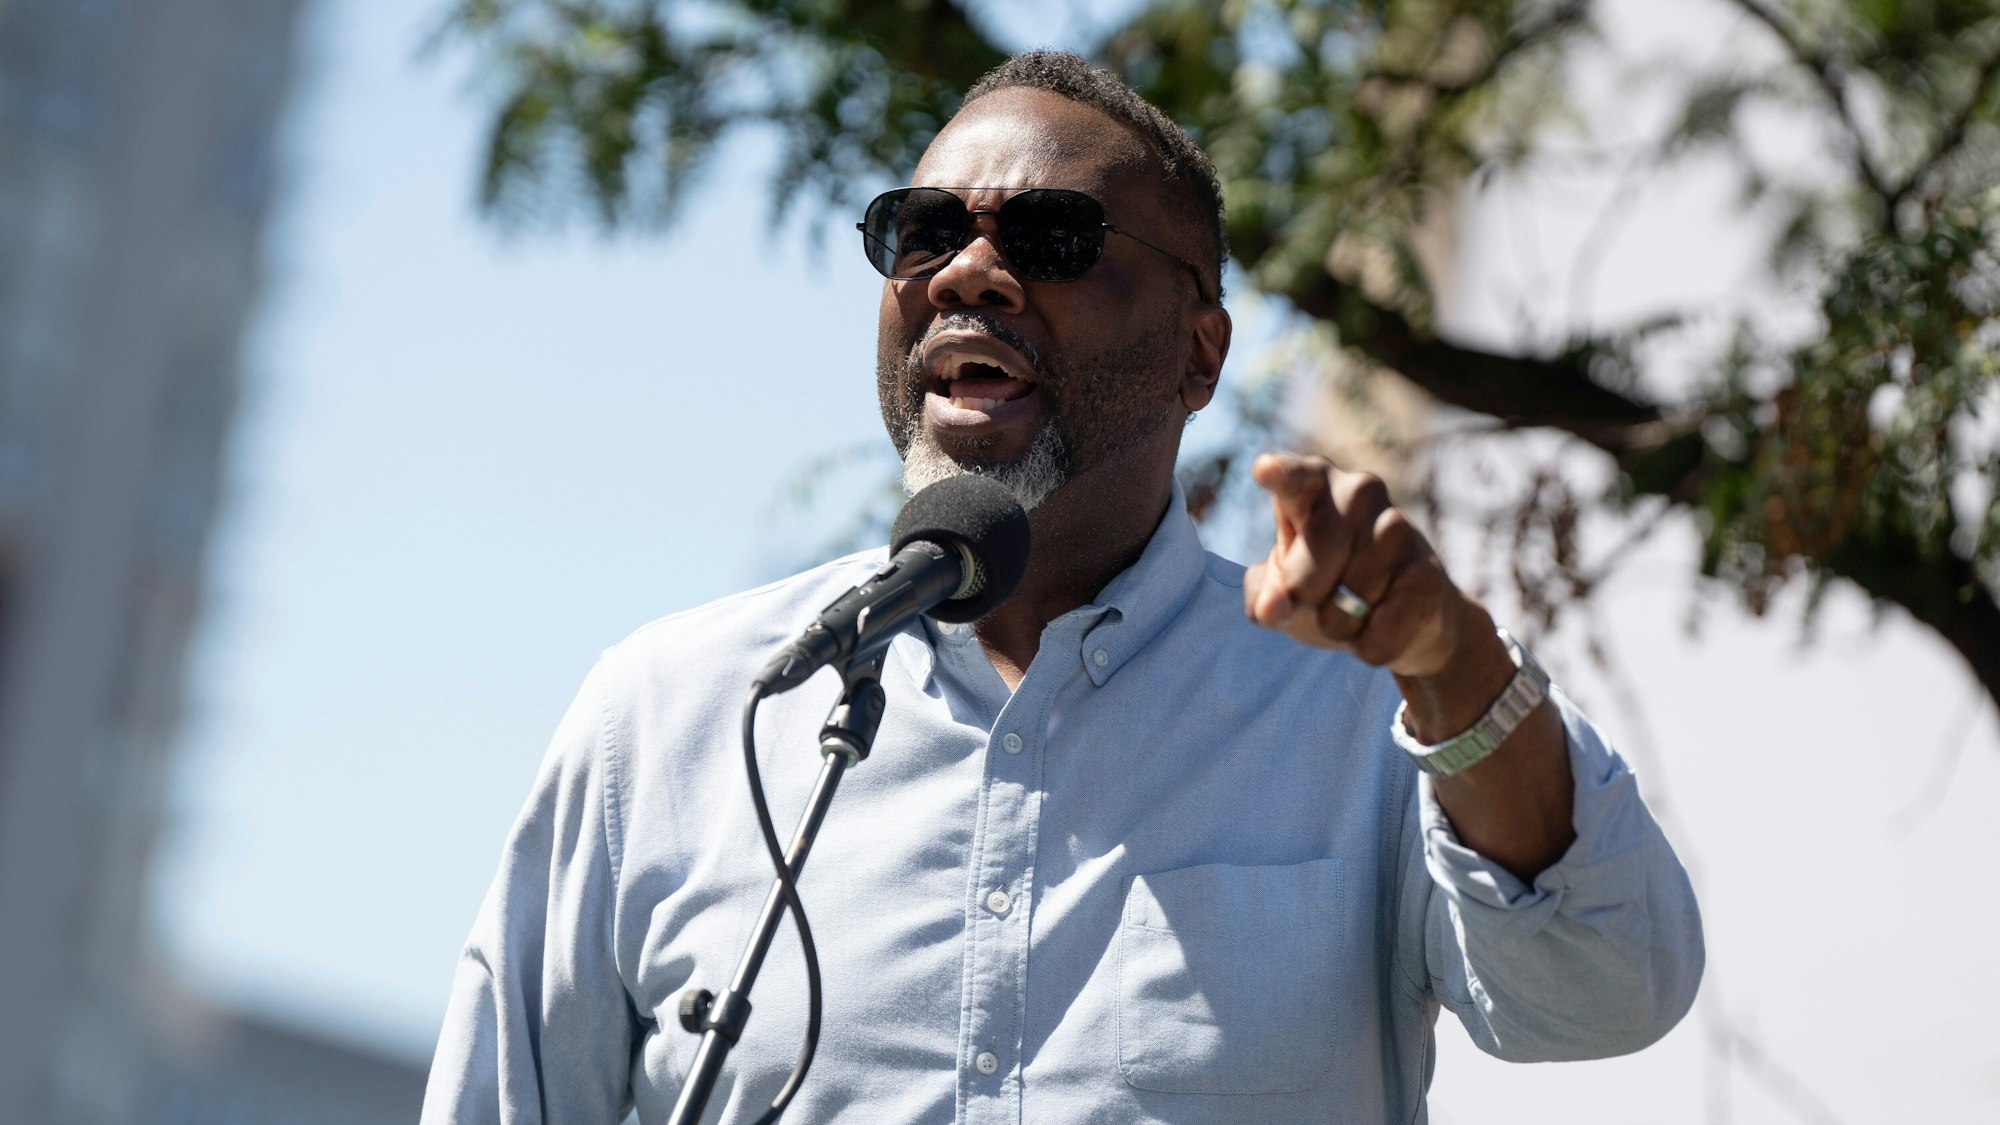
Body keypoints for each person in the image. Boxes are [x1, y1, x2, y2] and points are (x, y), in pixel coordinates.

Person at [422, 50, 1702, 1125]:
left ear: (1200, 352)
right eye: (924, 231)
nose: (967, 275)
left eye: (1050, 238)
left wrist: (1452, 665)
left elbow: (1605, 989)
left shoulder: (1360, 711)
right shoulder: (681, 714)